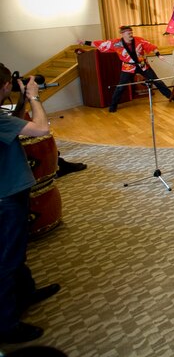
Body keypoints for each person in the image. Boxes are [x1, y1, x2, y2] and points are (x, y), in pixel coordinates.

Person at [0, 65, 61, 344]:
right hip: (7, 196)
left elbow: (13, 123)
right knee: (7, 260)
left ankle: (26, 292)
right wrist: (34, 97)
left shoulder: (3, 118)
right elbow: (40, 128)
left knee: (16, 249)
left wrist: (23, 99)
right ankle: (7, 324)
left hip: (10, 191)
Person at [80, 26, 174, 112]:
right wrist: (84, 42)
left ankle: (171, 96)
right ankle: (113, 105)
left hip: (142, 65)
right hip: (128, 67)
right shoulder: (116, 43)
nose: (131, 34)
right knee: (121, 86)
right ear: (122, 34)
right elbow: (100, 44)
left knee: (157, 81)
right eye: (128, 33)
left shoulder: (139, 40)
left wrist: (158, 55)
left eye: (131, 32)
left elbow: (152, 47)